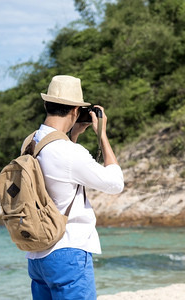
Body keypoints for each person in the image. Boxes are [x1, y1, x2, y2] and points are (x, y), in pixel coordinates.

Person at [25, 75, 124, 299]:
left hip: (37, 254)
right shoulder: (69, 152)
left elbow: (57, 176)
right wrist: (102, 136)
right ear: (76, 110)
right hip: (68, 250)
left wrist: (74, 135)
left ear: (45, 104)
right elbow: (115, 183)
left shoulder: (31, 142)